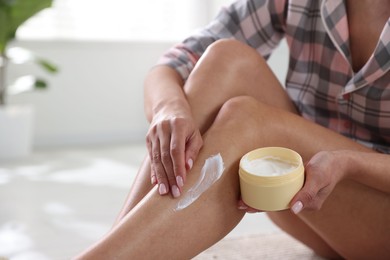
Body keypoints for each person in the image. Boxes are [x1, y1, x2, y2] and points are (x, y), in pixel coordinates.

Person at [75, 0, 390, 259]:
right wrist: (167, 108)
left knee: (248, 119)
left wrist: (347, 163)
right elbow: (175, 62)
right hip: (306, 206)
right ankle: (121, 247)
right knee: (226, 58)